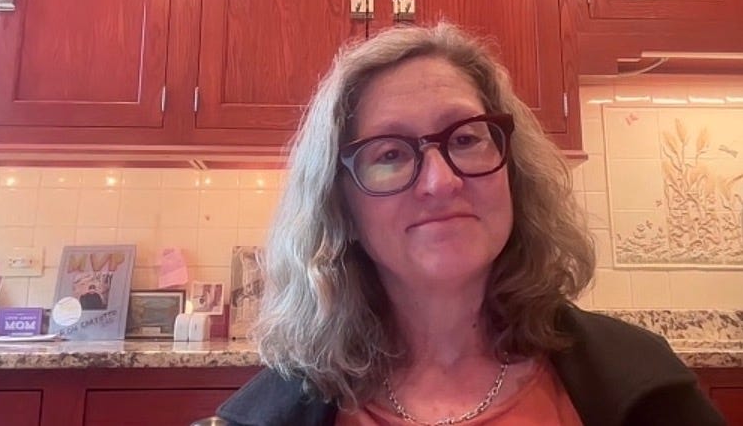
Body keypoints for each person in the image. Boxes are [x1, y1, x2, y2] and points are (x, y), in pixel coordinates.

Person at [215, 24, 723, 425]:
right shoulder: (265, 415)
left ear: (513, 174)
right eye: (389, 153)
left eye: (465, 139)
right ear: (341, 207)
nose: (440, 182)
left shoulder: (645, 385)